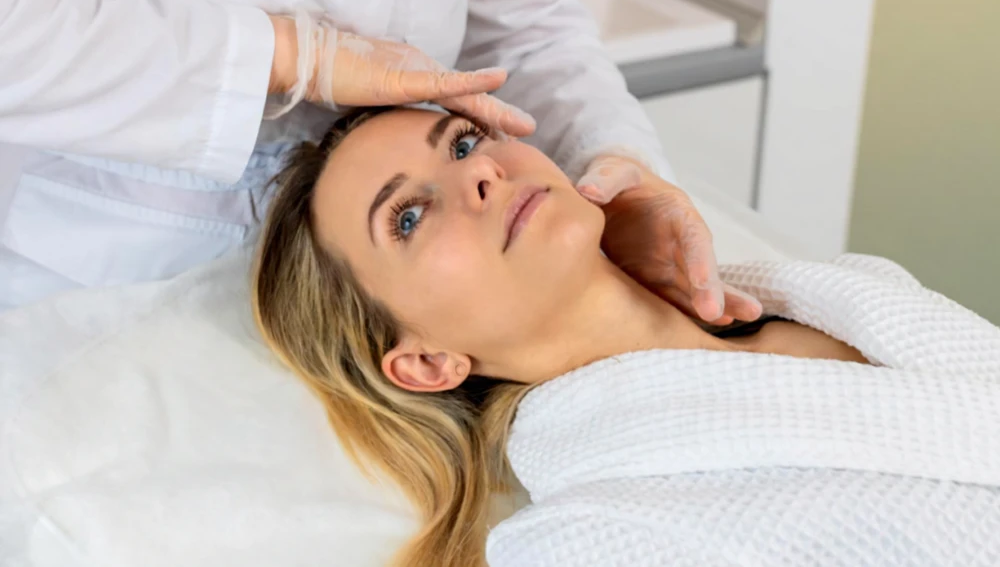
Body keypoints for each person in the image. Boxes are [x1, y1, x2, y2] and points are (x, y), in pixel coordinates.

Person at [252, 106, 1000, 566]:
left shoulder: (853, 290)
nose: (479, 174)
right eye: (408, 217)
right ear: (425, 362)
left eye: (462, 142)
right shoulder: (586, 539)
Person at [0, 0, 757, 322]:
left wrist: (611, 160)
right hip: (114, 282)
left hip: (412, 312)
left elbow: (527, 29)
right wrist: (291, 58)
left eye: (467, 149)